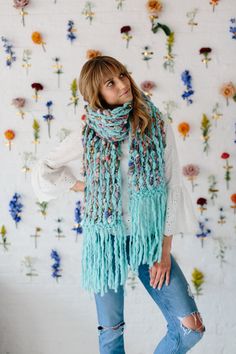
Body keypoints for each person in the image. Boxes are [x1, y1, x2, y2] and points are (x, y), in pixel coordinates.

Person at [31, 55, 206, 354]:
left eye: (122, 75)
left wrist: (164, 251)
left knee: (191, 327)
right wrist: (78, 184)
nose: (123, 84)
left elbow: (171, 188)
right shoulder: (89, 135)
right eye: (110, 83)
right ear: (96, 94)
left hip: (147, 239)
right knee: (112, 337)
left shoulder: (156, 124)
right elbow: (45, 168)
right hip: (105, 242)